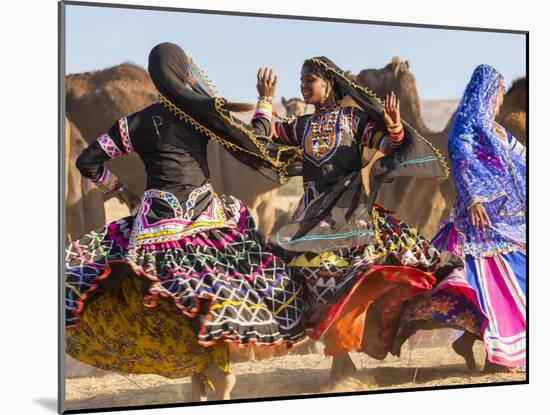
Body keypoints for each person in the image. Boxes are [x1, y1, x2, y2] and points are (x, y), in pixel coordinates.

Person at [65, 42, 308, 401]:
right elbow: (256, 141)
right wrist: (265, 99)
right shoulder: (204, 115)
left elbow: (87, 162)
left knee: (173, 302)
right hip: (206, 222)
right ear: (185, 74)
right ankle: (217, 379)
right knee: (211, 298)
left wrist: (122, 192)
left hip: (153, 230)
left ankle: (200, 384)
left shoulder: (135, 123)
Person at [252, 56, 452, 381]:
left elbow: (391, 146)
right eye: (301, 80)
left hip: (351, 219)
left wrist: (394, 124)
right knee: (316, 288)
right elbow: (261, 133)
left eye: (309, 80)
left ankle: (342, 360)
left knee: (348, 285)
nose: (303, 85)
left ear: (328, 83)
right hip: (312, 223)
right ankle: (340, 359)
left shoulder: (353, 120)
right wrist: (265, 98)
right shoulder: (300, 126)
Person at [393, 64, 526, 372]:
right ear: (489, 91)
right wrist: (475, 198)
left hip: (506, 221)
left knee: (512, 282)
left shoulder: (500, 130)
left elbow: (521, 161)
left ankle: (473, 342)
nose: (503, 97)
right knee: (486, 286)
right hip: (478, 224)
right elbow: (460, 158)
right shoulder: (467, 125)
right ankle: (496, 356)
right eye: (500, 91)